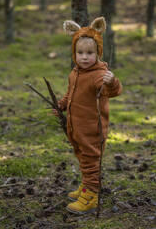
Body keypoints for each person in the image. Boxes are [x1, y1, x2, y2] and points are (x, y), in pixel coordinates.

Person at [53, 17, 122, 214]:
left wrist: (112, 82)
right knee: (83, 158)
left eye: (90, 53)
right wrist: (61, 105)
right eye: (80, 52)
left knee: (91, 160)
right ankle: (86, 187)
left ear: (98, 53)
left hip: (92, 128)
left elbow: (111, 91)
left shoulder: (99, 75)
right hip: (76, 127)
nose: (84, 57)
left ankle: (91, 196)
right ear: (74, 53)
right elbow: (70, 94)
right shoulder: (75, 73)